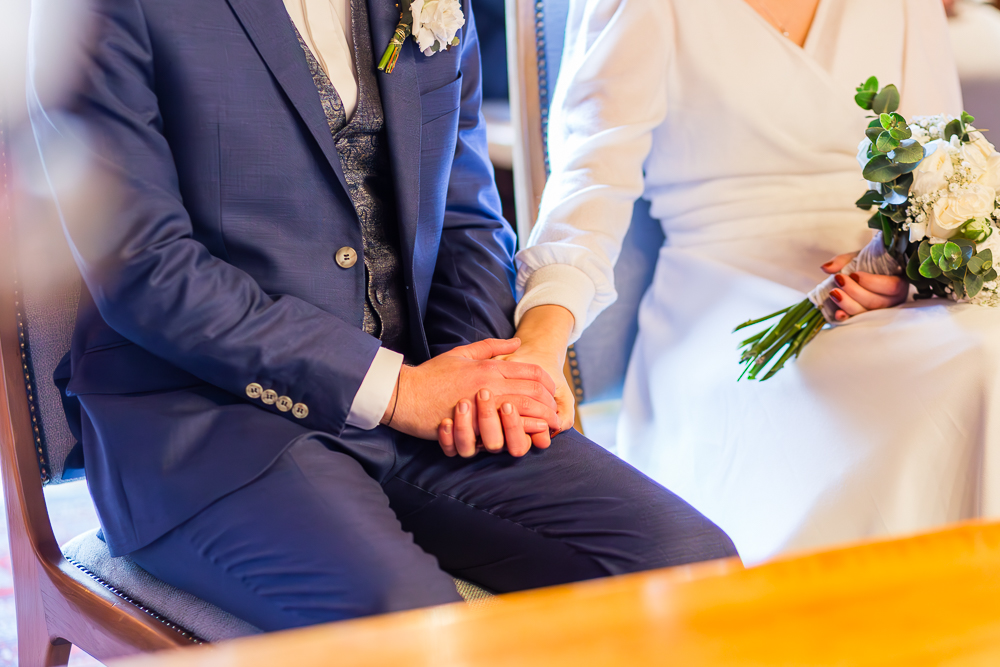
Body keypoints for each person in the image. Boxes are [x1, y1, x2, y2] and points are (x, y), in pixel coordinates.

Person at [28, 0, 738, 631]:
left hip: (425, 394)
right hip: (205, 425)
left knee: (695, 569)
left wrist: (473, 383)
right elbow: (148, 272)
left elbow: (463, 215)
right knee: (416, 628)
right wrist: (397, 390)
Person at [511, 0, 997, 564]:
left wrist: (901, 267)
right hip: (722, 299)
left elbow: (942, 160)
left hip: (885, 298)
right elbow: (590, 181)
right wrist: (541, 341)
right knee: (980, 368)